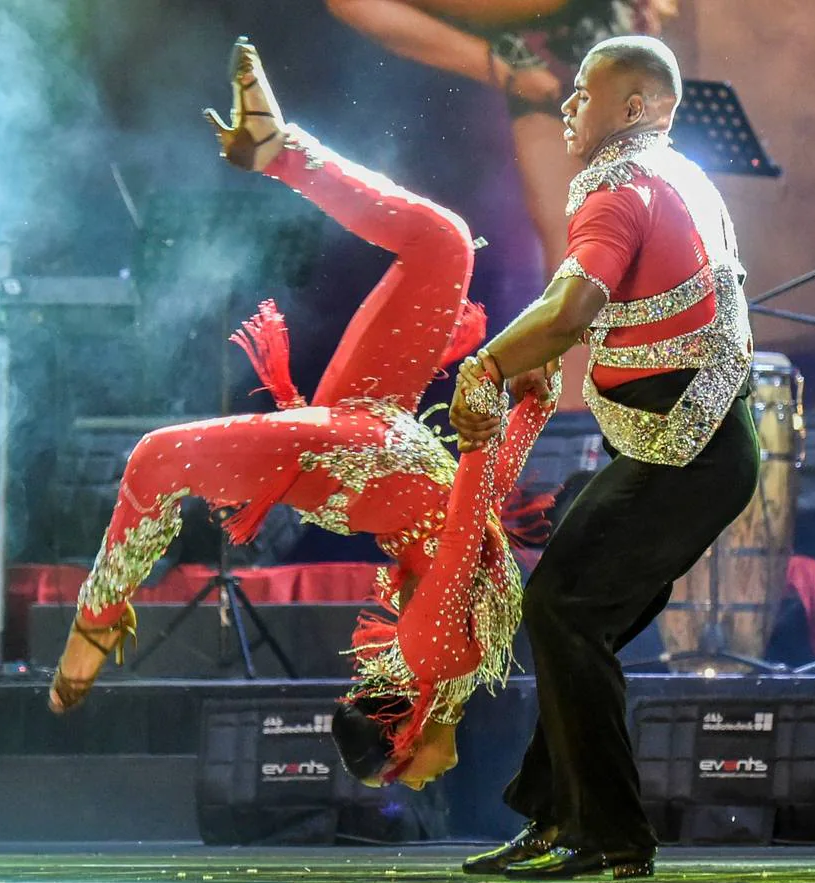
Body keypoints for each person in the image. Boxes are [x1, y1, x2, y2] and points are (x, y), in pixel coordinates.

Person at [47, 37, 560, 792]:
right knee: (442, 246)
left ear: (407, 734)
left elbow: (462, 532)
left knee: (158, 459)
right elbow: (475, 523)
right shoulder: (454, 672)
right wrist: (529, 410)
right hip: (383, 431)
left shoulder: (438, 657)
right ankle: (276, 148)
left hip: (359, 463)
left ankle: (97, 614)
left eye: (399, 775)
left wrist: (492, 420)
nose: (415, 781)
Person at [449, 36, 760, 879]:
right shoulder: (678, 172)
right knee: (570, 621)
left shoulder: (617, 183)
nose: (566, 106)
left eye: (583, 92)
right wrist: (542, 342)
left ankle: (611, 834)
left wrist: (485, 365)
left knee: (563, 611)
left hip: (685, 452)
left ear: (633, 107)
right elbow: (596, 304)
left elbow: (570, 304)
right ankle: (559, 819)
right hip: (696, 448)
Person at [324, 0, 680, 405]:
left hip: (584, 58)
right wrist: (500, 69)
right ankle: (573, 426)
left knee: (611, 256)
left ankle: (591, 424)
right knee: (580, 259)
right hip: (516, 81)